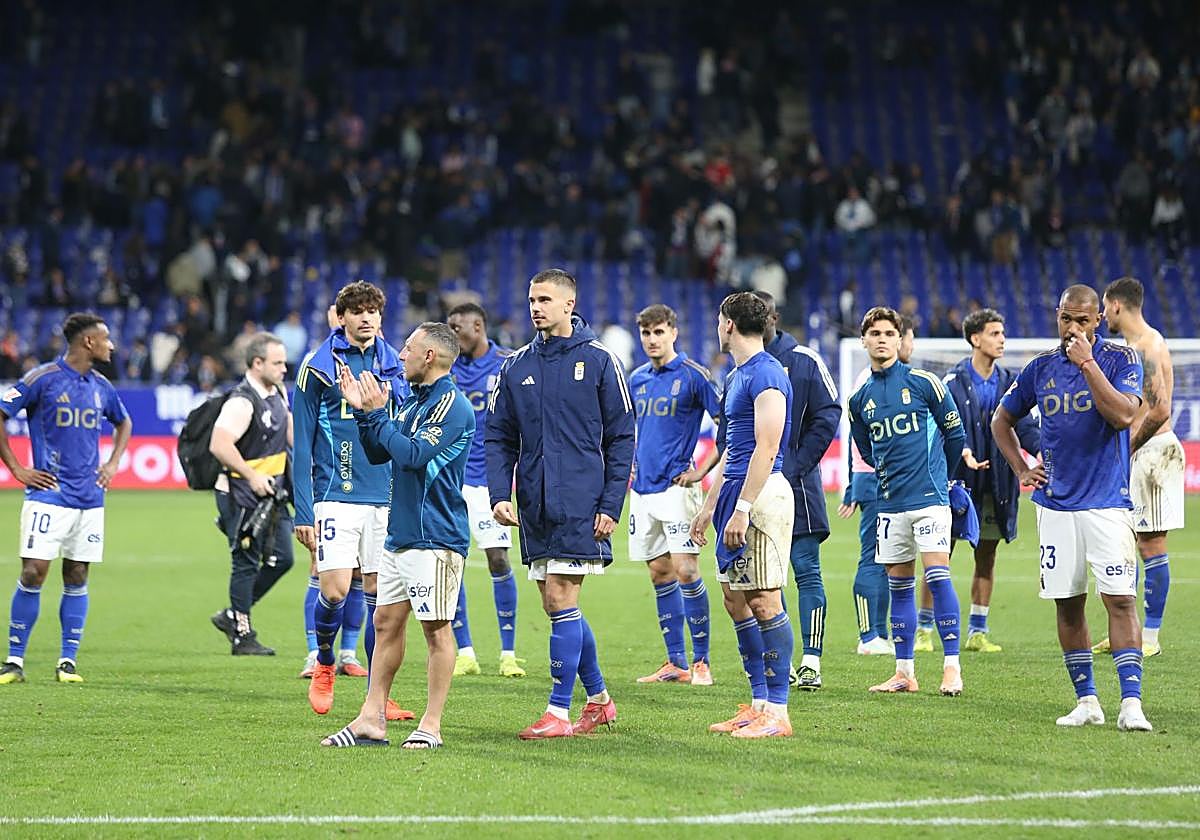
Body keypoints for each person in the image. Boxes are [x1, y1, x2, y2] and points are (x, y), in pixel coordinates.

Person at [992, 284, 1152, 732]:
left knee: (1120, 600)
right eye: (1066, 319)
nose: (1073, 328)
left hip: (1106, 503)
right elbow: (1001, 420)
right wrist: (1022, 468)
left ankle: (1131, 703)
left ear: (1098, 320)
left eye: (1083, 320)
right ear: (1057, 317)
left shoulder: (1121, 360)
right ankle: (1087, 701)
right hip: (1055, 505)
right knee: (1067, 603)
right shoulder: (1039, 368)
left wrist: (1087, 363)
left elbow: (1122, 415)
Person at [486, 268, 635, 740]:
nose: (535, 307)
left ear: (569, 305)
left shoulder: (599, 360)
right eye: (531, 299)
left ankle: (557, 711)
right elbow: (498, 436)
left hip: (582, 503)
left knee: (559, 599)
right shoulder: (516, 365)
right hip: (534, 505)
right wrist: (498, 494)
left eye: (545, 299)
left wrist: (611, 503)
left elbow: (623, 436)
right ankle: (600, 701)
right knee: (556, 607)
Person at [321, 322, 475, 749]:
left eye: (408, 348)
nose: (400, 354)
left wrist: (375, 415)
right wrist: (362, 412)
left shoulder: (452, 405)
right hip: (400, 534)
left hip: (435, 538)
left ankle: (431, 724)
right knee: (385, 623)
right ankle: (371, 719)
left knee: (436, 631)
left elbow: (411, 457)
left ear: (430, 356)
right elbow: (377, 453)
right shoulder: (411, 404)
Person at [293, 282, 413, 722]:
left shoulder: (395, 364)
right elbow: (302, 446)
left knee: (382, 603)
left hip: (384, 498)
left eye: (372, 311)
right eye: (357, 311)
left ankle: (377, 696)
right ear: (340, 317)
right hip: (334, 496)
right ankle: (325, 660)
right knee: (336, 590)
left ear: (381, 317)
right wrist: (303, 510)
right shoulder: (318, 368)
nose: (365, 318)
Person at [0, 313, 131, 684]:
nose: (111, 345)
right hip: (48, 493)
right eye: (106, 339)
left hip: (89, 498)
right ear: (88, 342)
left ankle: (67, 662)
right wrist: (17, 469)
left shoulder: (101, 386)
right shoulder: (42, 379)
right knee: (33, 571)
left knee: (77, 573)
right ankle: (14, 660)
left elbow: (124, 422)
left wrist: (113, 461)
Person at [689, 292, 795, 738]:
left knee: (765, 600)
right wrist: (712, 506)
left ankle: (779, 712)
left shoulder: (768, 373)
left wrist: (744, 508)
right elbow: (733, 446)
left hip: (762, 494)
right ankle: (756, 702)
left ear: (728, 324)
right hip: (734, 492)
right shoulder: (738, 376)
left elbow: (767, 448)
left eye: (718, 319)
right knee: (737, 600)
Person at [847, 306, 965, 696]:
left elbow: (955, 435)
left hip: (930, 499)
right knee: (899, 587)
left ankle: (951, 667)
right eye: (874, 333)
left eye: (888, 333)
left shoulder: (923, 382)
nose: (881, 339)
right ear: (864, 341)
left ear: (900, 340)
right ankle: (904, 672)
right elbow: (866, 448)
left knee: (937, 576)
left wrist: (943, 479)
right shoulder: (859, 399)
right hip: (889, 504)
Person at [916, 309, 1040, 653]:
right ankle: (924, 629)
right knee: (940, 555)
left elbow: (1024, 426)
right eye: (995, 333)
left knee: (987, 554)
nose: (1002, 339)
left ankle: (977, 631)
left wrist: (1043, 450)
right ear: (975, 338)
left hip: (997, 482)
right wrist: (965, 452)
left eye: (1002, 333)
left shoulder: (1010, 381)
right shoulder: (953, 383)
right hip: (956, 484)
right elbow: (944, 427)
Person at [627, 304, 720, 685]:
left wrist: (701, 470)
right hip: (643, 491)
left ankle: (702, 662)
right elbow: (632, 429)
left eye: (659, 332)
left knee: (686, 570)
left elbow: (728, 427)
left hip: (678, 489)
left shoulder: (695, 376)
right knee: (659, 572)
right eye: (646, 333)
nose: (652, 340)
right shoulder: (636, 379)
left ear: (673, 333)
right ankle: (675, 663)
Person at [755, 291, 840, 690]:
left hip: (798, 487)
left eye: (764, 315)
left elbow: (829, 414)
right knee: (768, 580)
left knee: (806, 572)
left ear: (775, 317)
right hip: (756, 491)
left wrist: (794, 466)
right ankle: (783, 660)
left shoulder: (803, 360)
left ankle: (811, 660)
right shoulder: (744, 365)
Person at [1095, 277, 1180, 658]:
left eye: (1104, 306)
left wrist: (1128, 445)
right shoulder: (1131, 347)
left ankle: (1149, 637)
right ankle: (1125, 634)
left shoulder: (1148, 344)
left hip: (1154, 453)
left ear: (1115, 305)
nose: (1102, 315)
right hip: (1140, 454)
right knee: (1125, 543)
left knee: (1151, 544)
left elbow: (1160, 408)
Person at [446, 302, 524, 678]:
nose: (451, 334)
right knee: (452, 563)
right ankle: (465, 652)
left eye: (456, 327)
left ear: (478, 326)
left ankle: (508, 653)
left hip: (489, 482)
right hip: (449, 480)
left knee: (497, 559)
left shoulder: (508, 364)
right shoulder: (445, 368)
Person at [208, 333, 295, 655]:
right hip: (241, 492)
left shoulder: (278, 391)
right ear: (257, 363)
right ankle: (242, 636)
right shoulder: (242, 401)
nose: (284, 368)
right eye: (277, 362)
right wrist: (251, 475)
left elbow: (287, 434)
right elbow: (219, 445)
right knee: (244, 562)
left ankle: (233, 614)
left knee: (283, 559)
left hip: (272, 493)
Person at [838, 315, 914, 656]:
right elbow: (857, 439)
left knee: (890, 558)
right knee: (872, 557)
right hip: (875, 477)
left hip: (887, 479)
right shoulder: (867, 381)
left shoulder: (904, 381)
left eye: (894, 335)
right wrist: (854, 483)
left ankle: (880, 633)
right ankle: (868, 635)